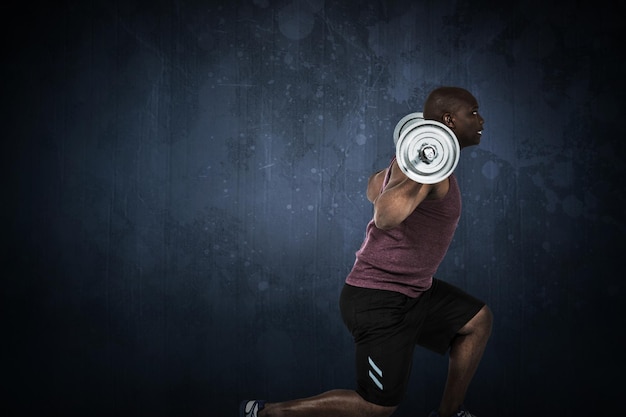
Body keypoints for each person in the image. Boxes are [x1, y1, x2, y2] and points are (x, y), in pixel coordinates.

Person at [240, 86, 493, 417]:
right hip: (379, 299)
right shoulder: (429, 173)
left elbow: (373, 187)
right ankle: (267, 412)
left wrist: (410, 166)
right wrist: (419, 173)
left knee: (476, 321)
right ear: (449, 120)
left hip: (414, 291)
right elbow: (385, 216)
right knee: (376, 408)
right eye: (472, 113)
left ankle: (449, 413)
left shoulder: (412, 160)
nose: (481, 120)